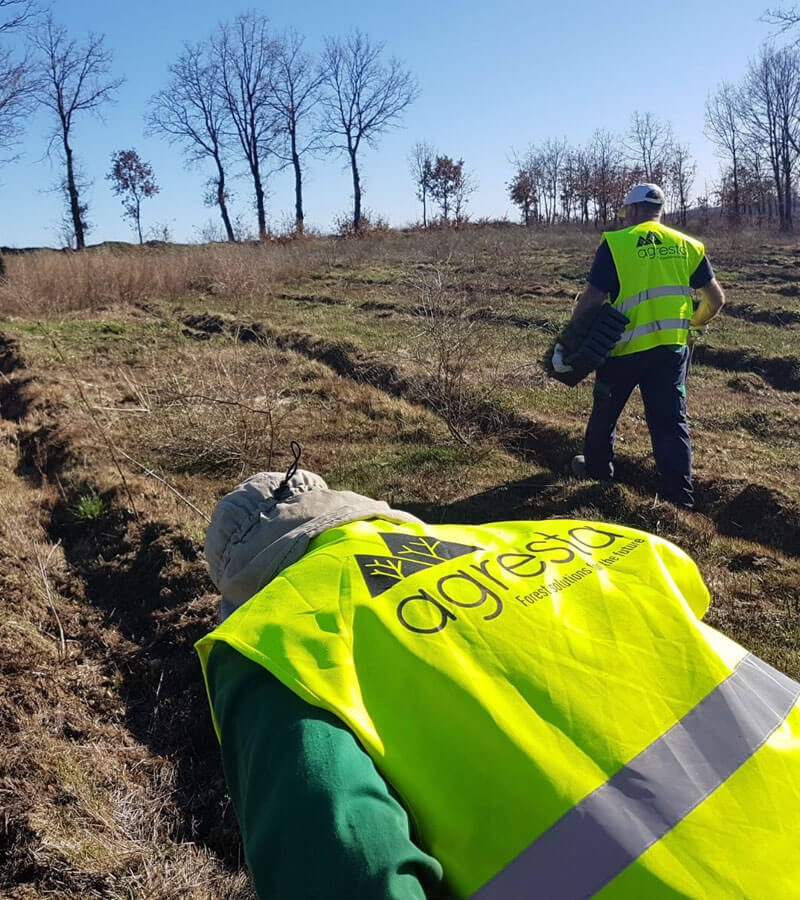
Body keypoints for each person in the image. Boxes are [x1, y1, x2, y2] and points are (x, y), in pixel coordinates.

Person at [195, 466, 800, 899]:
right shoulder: (574, 539)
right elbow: (685, 593)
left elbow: (346, 870)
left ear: (248, 590)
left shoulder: (280, 642)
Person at [559, 184, 725, 509]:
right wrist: (692, 322)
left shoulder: (617, 244)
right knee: (670, 422)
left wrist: (571, 338)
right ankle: (680, 500)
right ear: (659, 210)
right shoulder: (688, 246)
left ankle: (597, 475)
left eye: (626, 213)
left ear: (633, 211)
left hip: (621, 350)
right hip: (670, 352)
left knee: (605, 415)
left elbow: (593, 298)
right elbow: (716, 299)